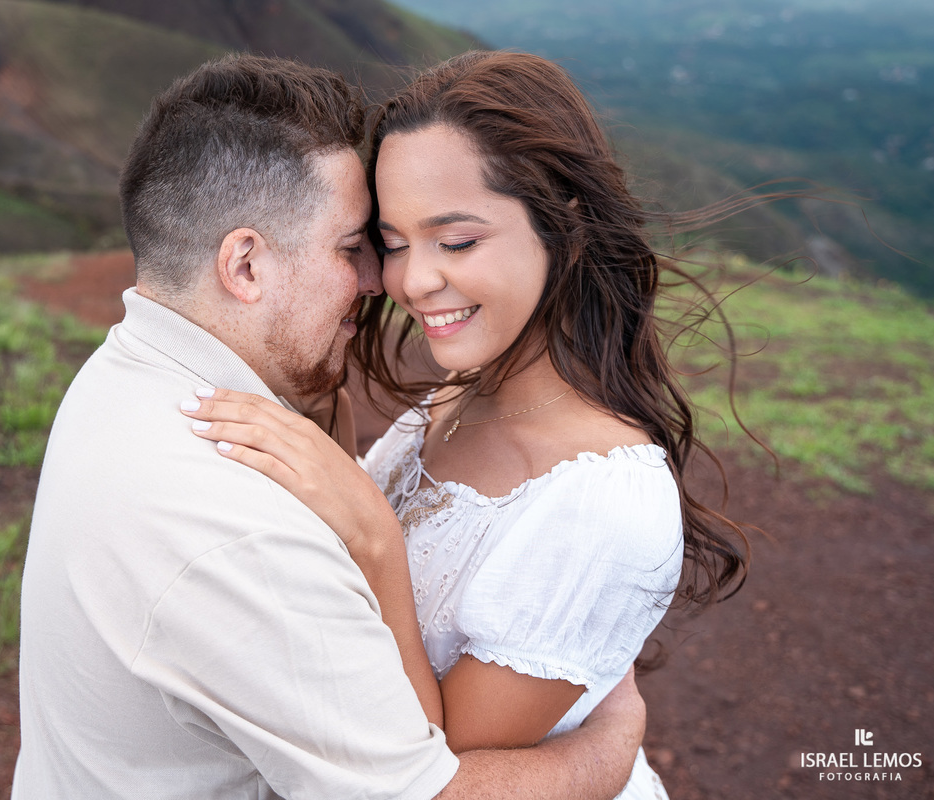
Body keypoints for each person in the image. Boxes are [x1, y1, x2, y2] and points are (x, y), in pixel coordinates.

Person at [12, 53, 649, 799]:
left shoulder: (126, 375)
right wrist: (610, 746)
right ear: (245, 266)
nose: (388, 282)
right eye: (358, 248)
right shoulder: (240, 526)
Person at [182, 51, 752, 799]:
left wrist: (376, 540)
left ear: (563, 226)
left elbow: (429, 774)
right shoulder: (459, 393)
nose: (412, 281)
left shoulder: (606, 504)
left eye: (457, 242)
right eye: (393, 242)